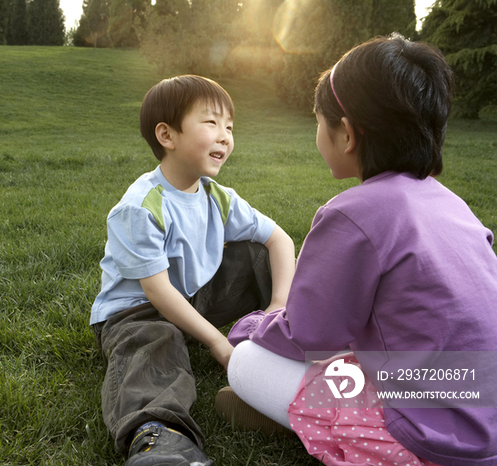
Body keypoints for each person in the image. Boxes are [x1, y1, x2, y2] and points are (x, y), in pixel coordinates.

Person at [215, 34, 497, 466]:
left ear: (345, 133)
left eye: (317, 121)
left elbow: (307, 334)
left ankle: (312, 425)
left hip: (429, 440)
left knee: (247, 361)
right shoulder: (452, 203)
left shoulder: (352, 214)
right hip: (483, 413)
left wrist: (252, 324)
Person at [90, 75, 297, 466]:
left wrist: (278, 304)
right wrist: (218, 343)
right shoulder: (140, 207)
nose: (225, 136)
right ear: (167, 136)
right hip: (136, 310)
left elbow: (279, 241)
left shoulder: (218, 196)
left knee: (256, 253)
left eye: (230, 127)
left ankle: (297, 334)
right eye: (211, 123)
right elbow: (158, 293)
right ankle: (160, 440)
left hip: (194, 294)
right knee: (156, 343)